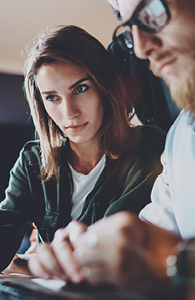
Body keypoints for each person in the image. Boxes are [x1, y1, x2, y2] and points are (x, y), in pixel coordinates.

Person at [0, 25, 165, 278]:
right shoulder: (33, 161)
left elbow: (104, 249)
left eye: (80, 89)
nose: (69, 113)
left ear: (105, 87)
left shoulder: (147, 147)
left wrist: (28, 265)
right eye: (52, 97)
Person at [28, 0, 195, 298]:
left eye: (152, 12)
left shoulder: (149, 145)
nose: (141, 49)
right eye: (130, 28)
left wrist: (176, 262)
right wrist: (91, 254)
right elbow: (151, 233)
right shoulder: (181, 136)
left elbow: (168, 255)